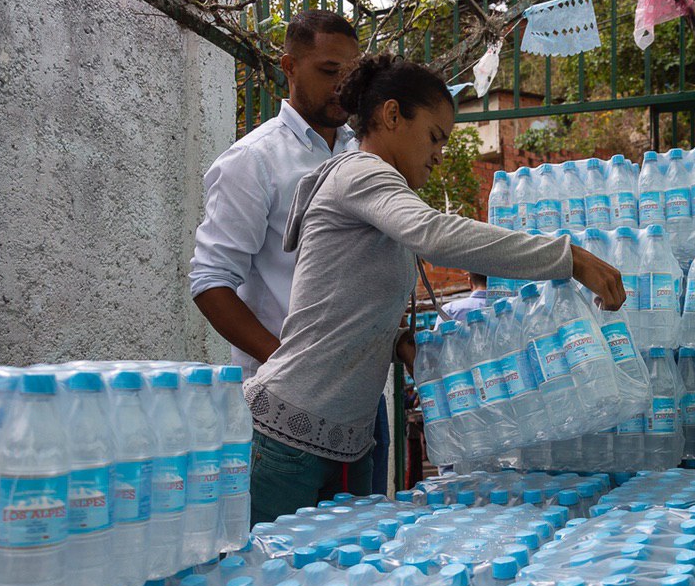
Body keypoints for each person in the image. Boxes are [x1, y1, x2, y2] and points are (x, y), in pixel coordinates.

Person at [243, 54, 625, 524]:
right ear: (390, 115)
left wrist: (396, 339)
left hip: (345, 438)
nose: (440, 154)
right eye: (435, 136)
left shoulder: (372, 187)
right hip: (289, 438)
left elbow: (347, 298)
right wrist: (567, 259)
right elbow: (437, 235)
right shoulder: (361, 172)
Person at [187, 11, 390, 494]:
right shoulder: (253, 161)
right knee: (277, 560)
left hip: (360, 404)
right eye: (327, 71)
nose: (343, 86)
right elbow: (210, 282)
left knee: (358, 559)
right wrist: (287, 363)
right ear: (289, 67)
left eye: (350, 73)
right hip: (283, 414)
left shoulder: (360, 156)